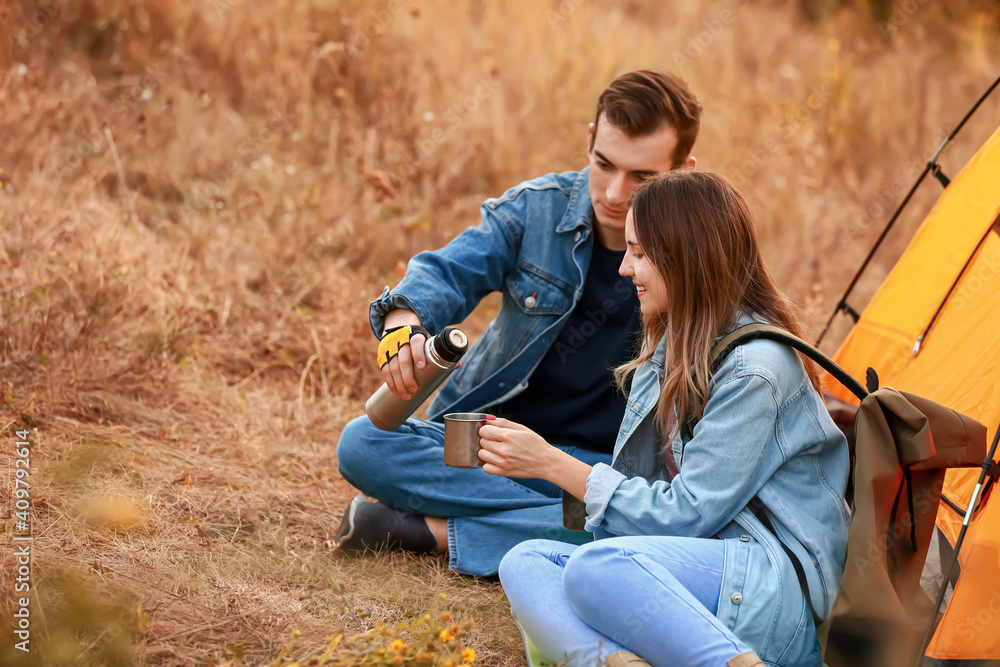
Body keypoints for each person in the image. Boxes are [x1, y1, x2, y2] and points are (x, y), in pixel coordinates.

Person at [334, 70, 702, 576]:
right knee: (362, 443)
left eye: (643, 177)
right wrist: (403, 322)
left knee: (650, 516)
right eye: (604, 165)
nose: (616, 194)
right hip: (494, 444)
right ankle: (559, 528)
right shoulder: (536, 210)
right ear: (590, 140)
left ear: (684, 170)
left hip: (601, 470)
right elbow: (447, 271)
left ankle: (435, 532)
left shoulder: (701, 252)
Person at [492, 171, 850, 666]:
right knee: (526, 561)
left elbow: (688, 515)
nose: (623, 268)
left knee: (594, 569)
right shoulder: (670, 345)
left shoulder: (756, 369)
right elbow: (643, 499)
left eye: (639, 253)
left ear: (687, 258)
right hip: (705, 571)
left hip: (771, 589)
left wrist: (552, 464)